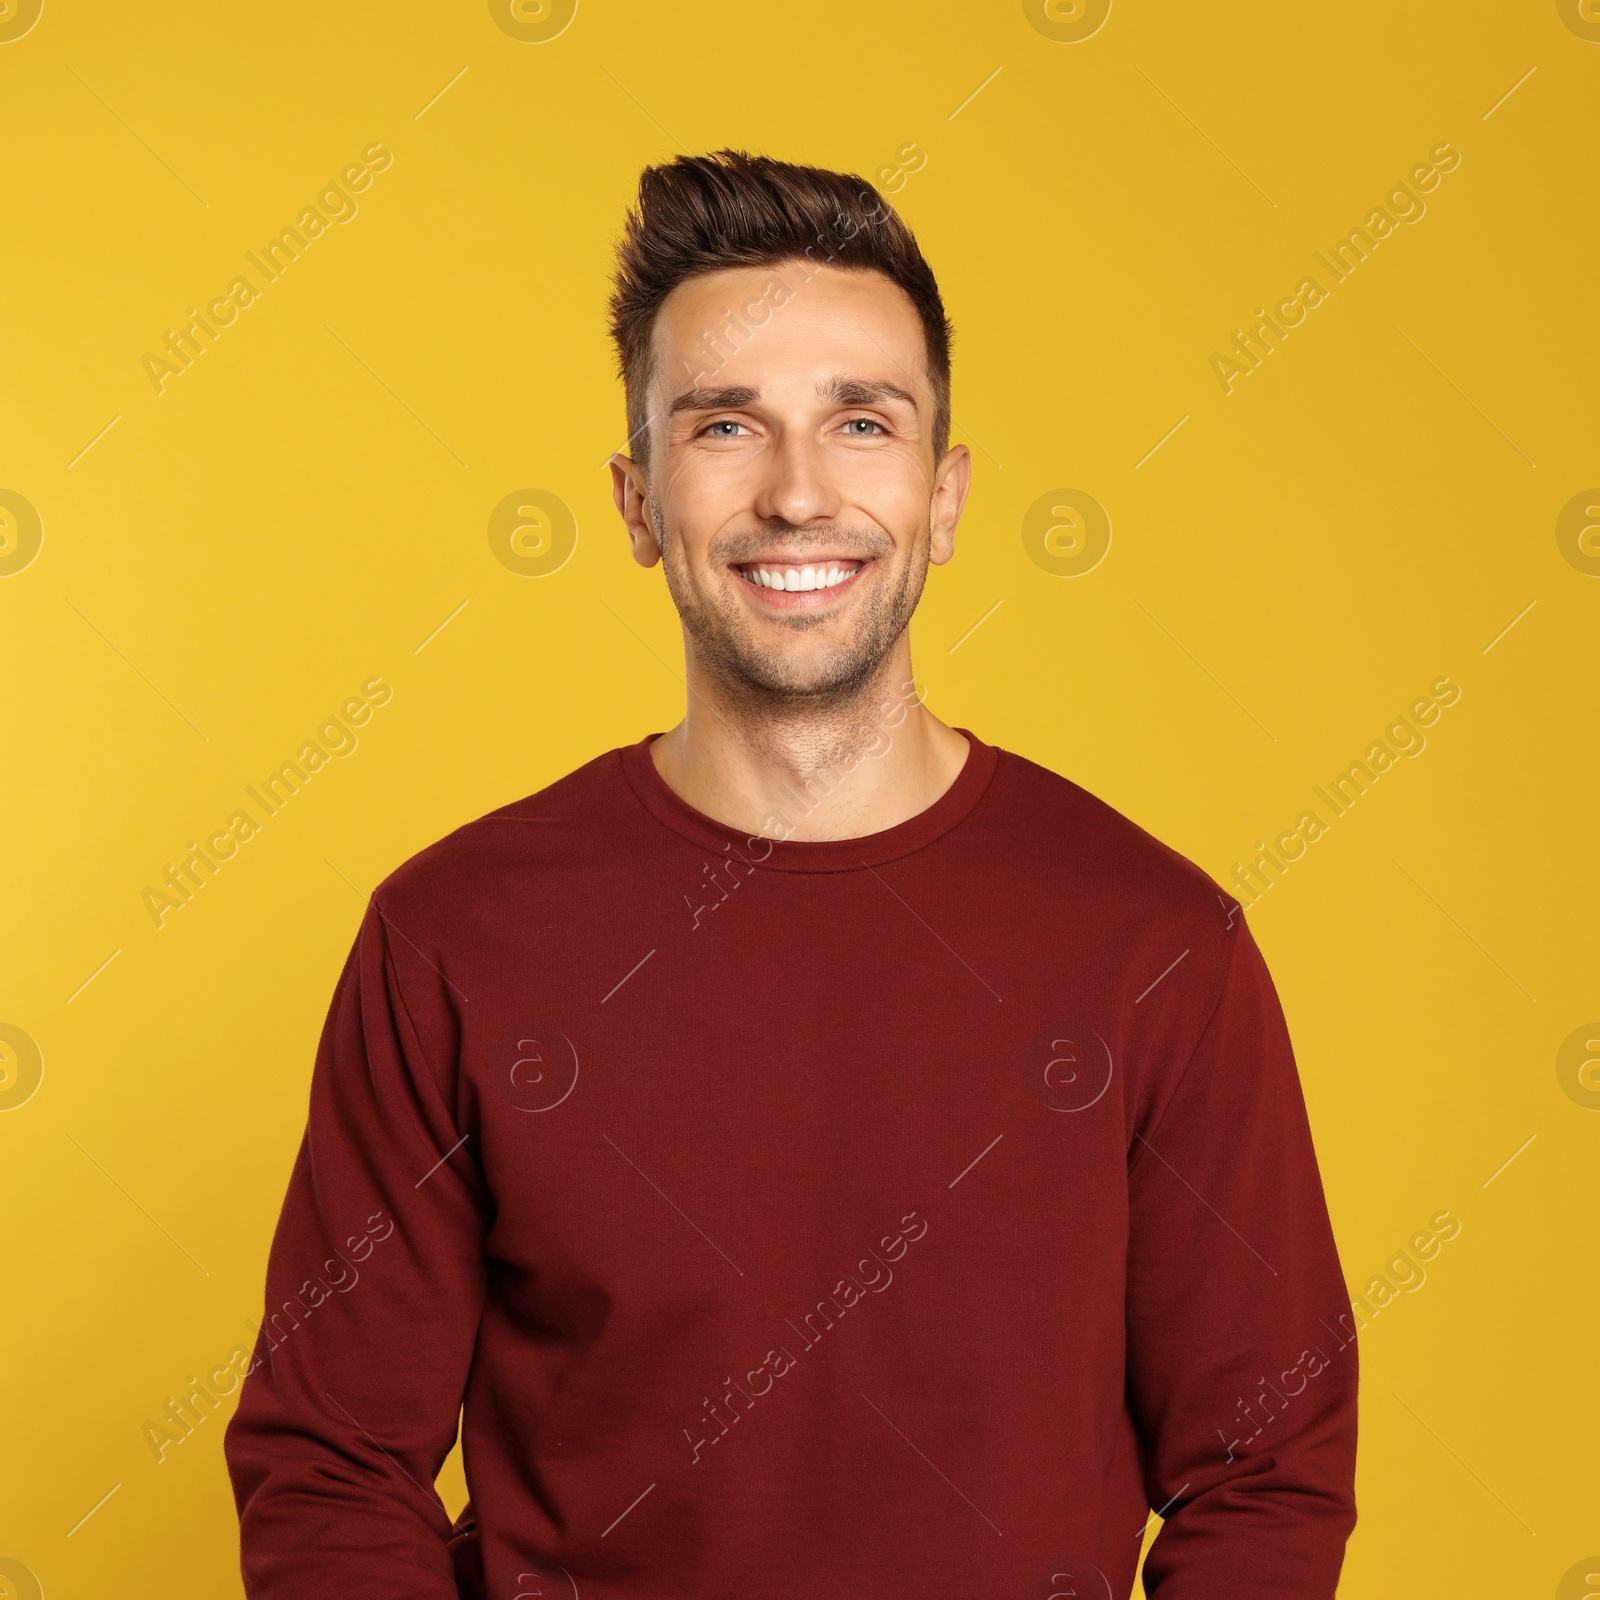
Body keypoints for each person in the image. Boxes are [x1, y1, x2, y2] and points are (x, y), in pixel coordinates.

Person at [225, 149, 1358, 1599]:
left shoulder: (1157, 943)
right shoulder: (452, 936)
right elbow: (329, 1461)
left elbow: (1266, 1473)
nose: (798, 492)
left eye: (862, 422)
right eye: (725, 428)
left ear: (944, 498)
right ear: (638, 506)